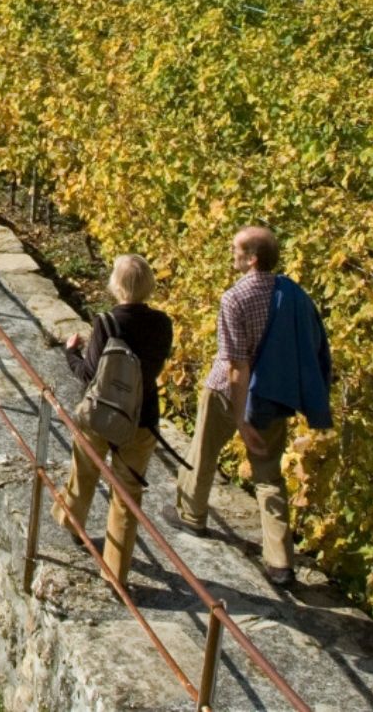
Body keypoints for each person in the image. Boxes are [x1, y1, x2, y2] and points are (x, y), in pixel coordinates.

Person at [175, 225, 333, 587]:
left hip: (228, 392)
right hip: (272, 398)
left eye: (236, 248)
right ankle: (279, 561)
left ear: (252, 259)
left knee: (204, 451)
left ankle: (192, 515)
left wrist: (239, 415)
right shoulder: (293, 294)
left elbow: (236, 365)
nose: (231, 252)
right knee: (268, 475)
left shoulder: (235, 299)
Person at [57, 253, 173, 593]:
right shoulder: (163, 324)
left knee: (85, 471)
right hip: (141, 418)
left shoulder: (107, 323)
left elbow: (89, 374)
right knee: (127, 495)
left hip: (101, 415)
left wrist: (70, 351)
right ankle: (115, 573)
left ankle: (71, 521)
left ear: (116, 285)